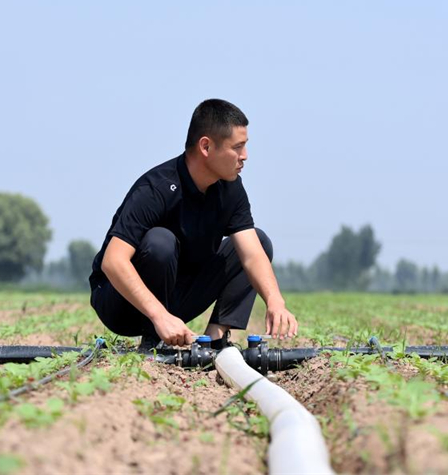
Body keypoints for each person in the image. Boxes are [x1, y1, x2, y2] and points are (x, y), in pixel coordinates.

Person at [89, 98, 298, 350]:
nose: (245, 156)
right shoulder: (155, 188)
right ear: (206, 146)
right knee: (160, 241)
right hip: (122, 304)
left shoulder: (230, 188)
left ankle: (215, 338)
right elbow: (113, 261)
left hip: (176, 300)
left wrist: (275, 301)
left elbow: (253, 254)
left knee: (259, 241)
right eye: (237, 147)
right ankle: (152, 340)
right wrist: (159, 316)